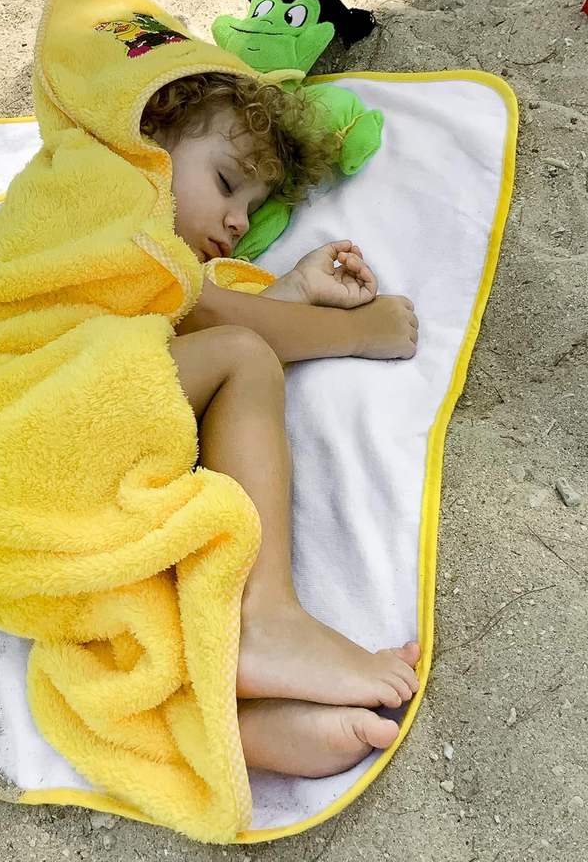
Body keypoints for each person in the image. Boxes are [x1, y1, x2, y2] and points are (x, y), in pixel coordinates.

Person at [141, 71, 422, 778]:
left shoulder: (160, 264)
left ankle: (240, 720)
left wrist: (294, 290)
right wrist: (358, 333)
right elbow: (206, 319)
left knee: (152, 583)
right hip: (33, 400)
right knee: (243, 357)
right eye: (226, 182)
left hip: (44, 479)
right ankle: (264, 618)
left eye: (253, 207)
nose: (239, 222)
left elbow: (180, 328)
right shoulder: (112, 198)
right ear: (151, 134)